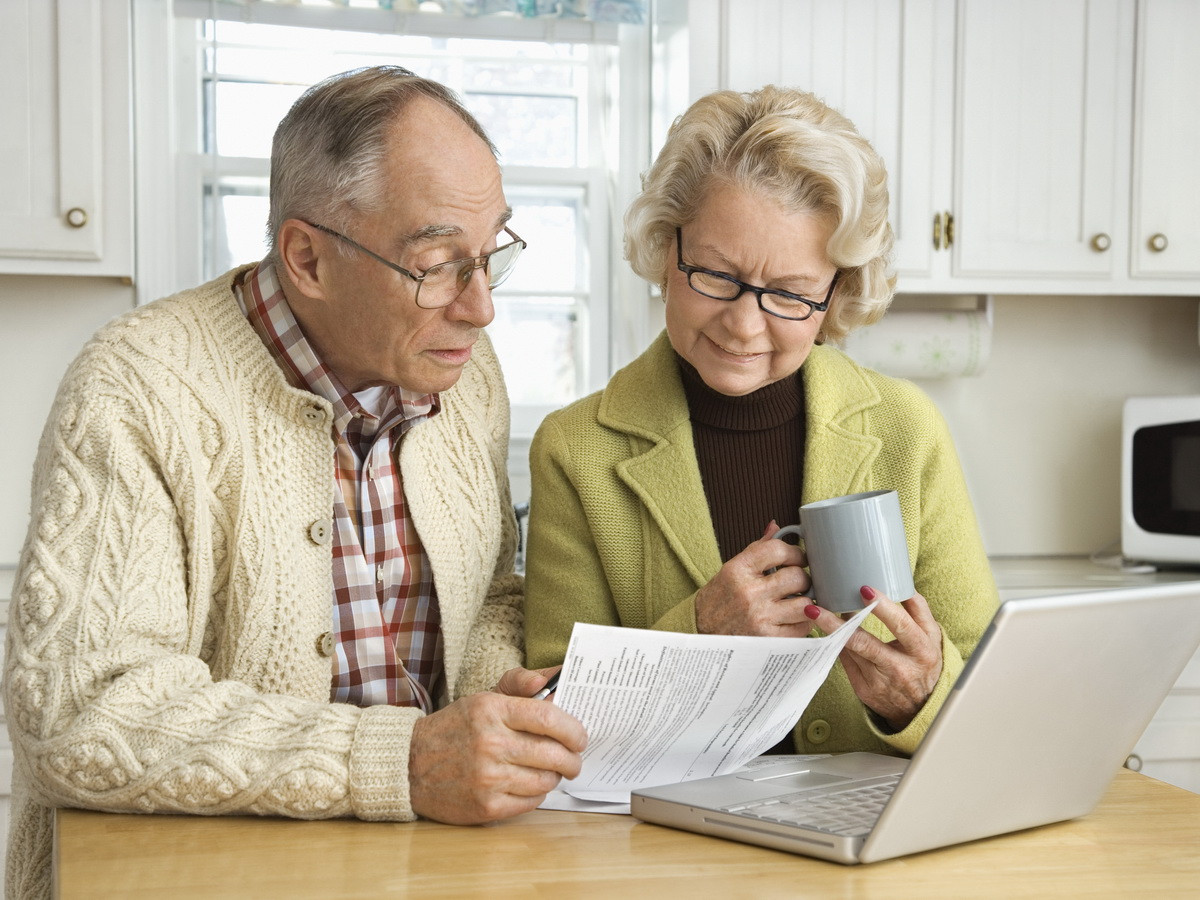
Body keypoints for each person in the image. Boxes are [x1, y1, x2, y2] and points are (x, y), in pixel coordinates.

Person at [3, 66, 585, 898]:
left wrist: (498, 700)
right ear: (307, 258)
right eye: (437, 264)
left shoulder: (464, 370)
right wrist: (406, 762)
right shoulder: (135, 388)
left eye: (492, 254)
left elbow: (490, 588)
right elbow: (80, 714)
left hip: (422, 871)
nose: (481, 307)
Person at [524, 85, 998, 758]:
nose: (744, 325)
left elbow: (989, 692)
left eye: (790, 295)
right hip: (661, 845)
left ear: (837, 294)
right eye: (715, 275)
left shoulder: (906, 429)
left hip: (864, 843)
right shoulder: (576, 450)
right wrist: (700, 632)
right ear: (666, 247)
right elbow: (552, 713)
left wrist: (922, 697)